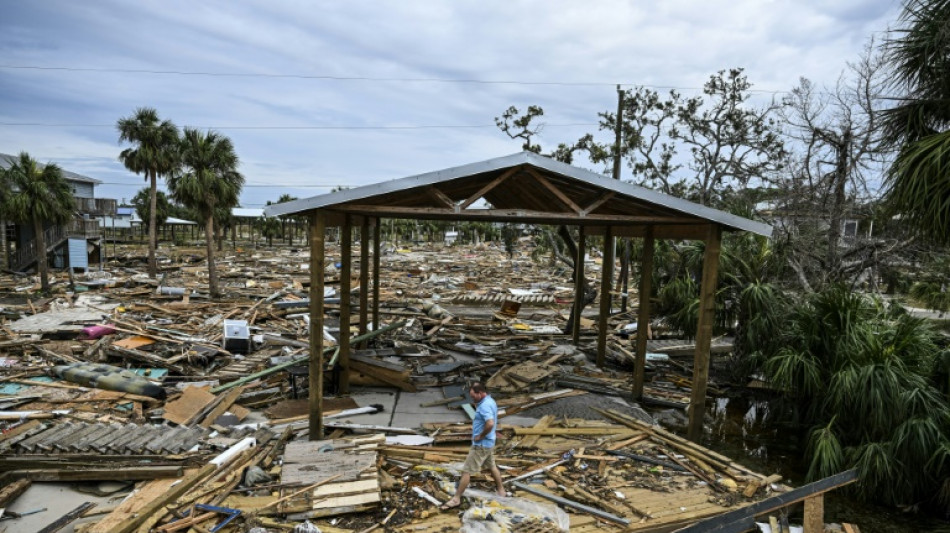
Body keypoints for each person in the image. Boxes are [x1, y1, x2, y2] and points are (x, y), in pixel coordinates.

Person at [440, 382, 506, 510]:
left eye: (473, 396)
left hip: (481, 445)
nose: (472, 398)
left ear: (480, 393)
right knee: (492, 466)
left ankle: (456, 498)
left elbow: (490, 423)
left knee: (467, 471)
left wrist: (481, 435)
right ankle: (501, 491)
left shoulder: (485, 406)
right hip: (489, 443)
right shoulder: (490, 401)